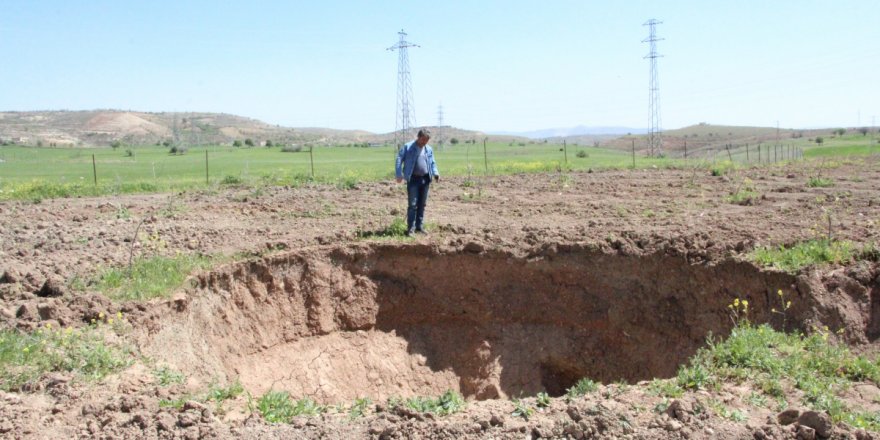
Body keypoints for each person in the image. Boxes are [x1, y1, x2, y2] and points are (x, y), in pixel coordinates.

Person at [395, 129, 440, 235]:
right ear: (418, 137)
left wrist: (436, 173)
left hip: (425, 179)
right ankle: (411, 229)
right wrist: (399, 174)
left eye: (427, 140)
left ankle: (419, 227)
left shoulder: (428, 149)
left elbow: (432, 162)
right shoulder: (408, 147)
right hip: (413, 179)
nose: (425, 142)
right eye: (423, 139)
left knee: (422, 204)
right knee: (413, 205)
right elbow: (399, 159)